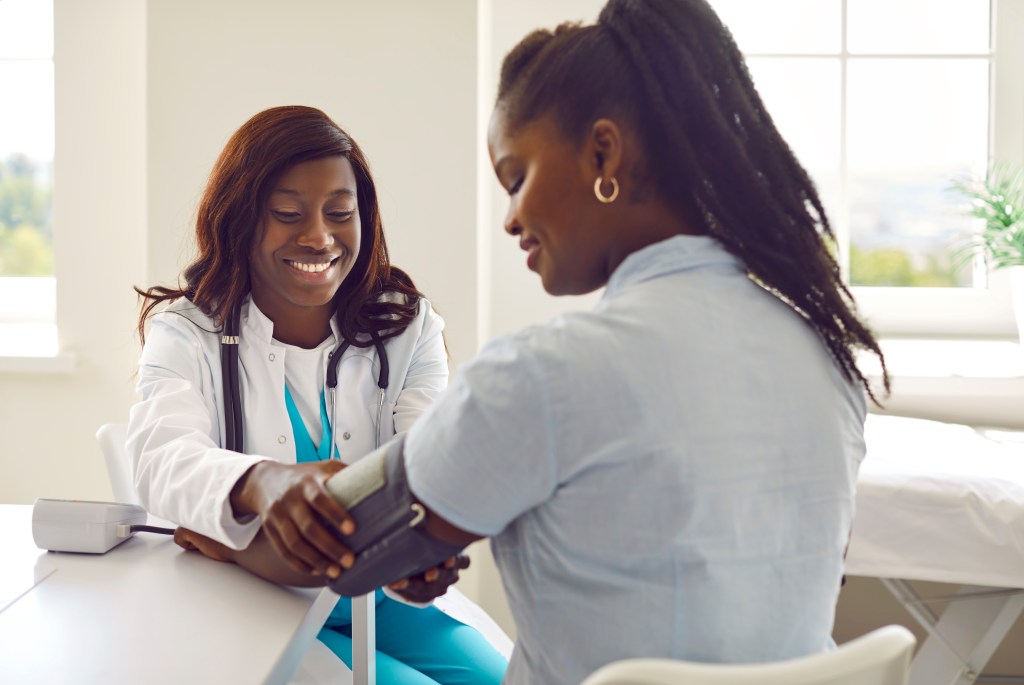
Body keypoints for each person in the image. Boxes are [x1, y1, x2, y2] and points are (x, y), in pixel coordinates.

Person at [168, 1, 893, 682]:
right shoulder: (825, 351)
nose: (512, 218)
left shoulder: (544, 375)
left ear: (603, 155)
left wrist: (206, 535)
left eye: (517, 178)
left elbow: (339, 548)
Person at [127, 105, 508, 685]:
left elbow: (430, 454)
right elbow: (159, 459)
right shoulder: (189, 330)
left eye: (340, 213)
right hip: (261, 603)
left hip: (384, 598)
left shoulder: (407, 327)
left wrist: (425, 544)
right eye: (287, 213)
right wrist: (266, 482)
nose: (319, 237)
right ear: (239, 219)